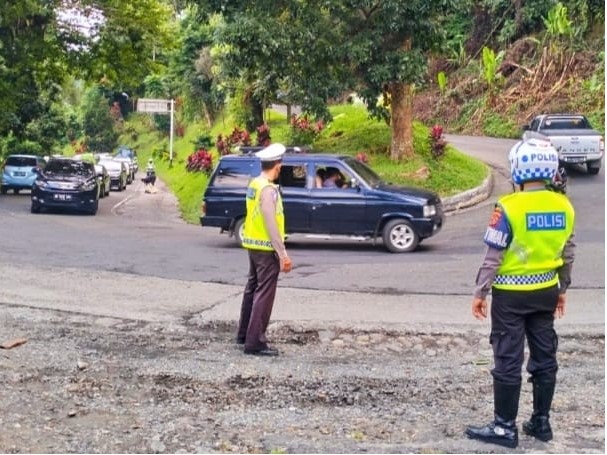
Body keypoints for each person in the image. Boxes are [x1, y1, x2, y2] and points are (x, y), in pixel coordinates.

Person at [465, 139, 576, 449]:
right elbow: (568, 253)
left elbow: (493, 256)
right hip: (546, 292)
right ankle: (541, 422)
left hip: (510, 297)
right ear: (550, 170)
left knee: (508, 357)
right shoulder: (564, 206)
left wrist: (480, 291)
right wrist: (562, 289)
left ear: (517, 172)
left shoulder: (508, 207)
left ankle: (504, 427)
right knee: (544, 355)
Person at [236, 143, 293, 356]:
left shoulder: (255, 184)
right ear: (277, 166)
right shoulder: (268, 190)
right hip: (266, 248)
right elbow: (270, 222)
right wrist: (282, 254)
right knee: (264, 294)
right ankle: (255, 342)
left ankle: (244, 334)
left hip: (253, 245)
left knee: (252, 289)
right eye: (281, 164)